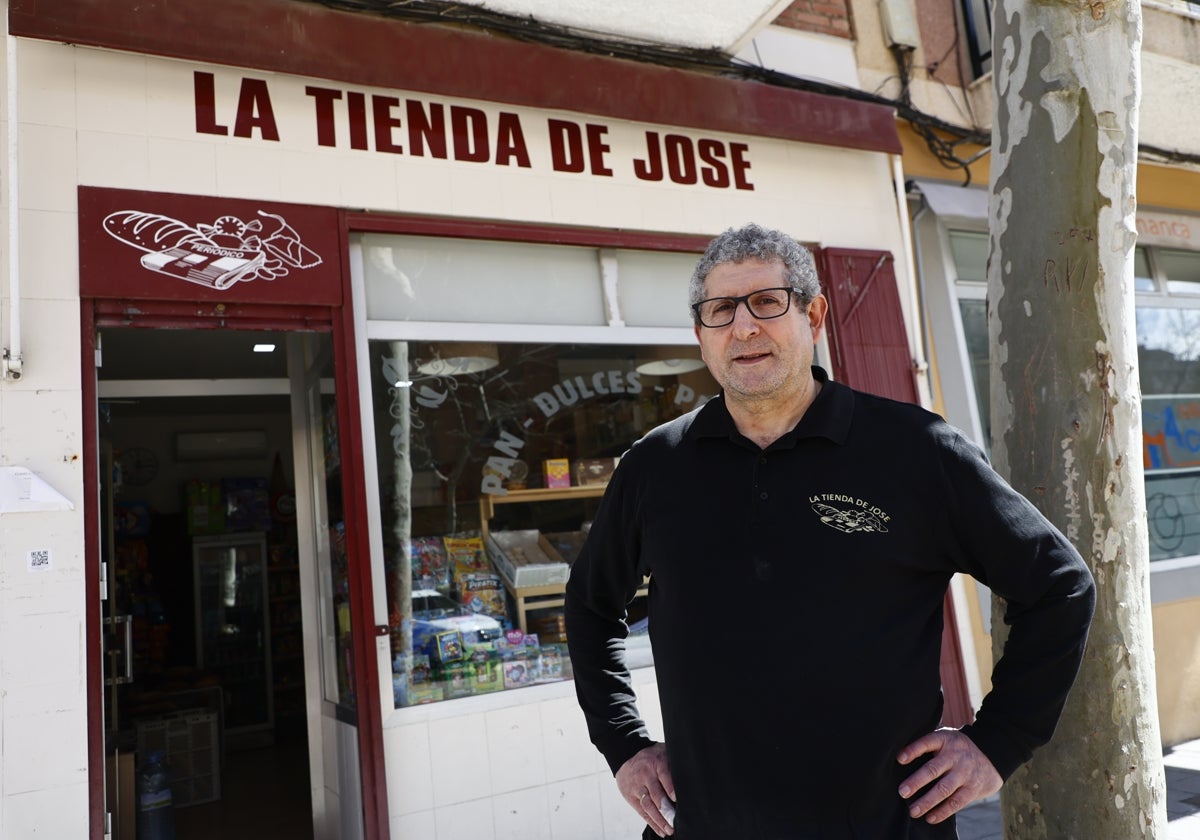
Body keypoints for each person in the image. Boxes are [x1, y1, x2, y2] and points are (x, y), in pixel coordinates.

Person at [563, 223, 1096, 839]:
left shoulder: (916, 451)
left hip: (885, 826)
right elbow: (590, 606)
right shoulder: (656, 467)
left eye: (767, 302)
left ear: (814, 316)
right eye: (720, 311)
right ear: (701, 338)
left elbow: (1059, 585)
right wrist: (623, 745)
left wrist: (1000, 740)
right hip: (707, 824)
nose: (744, 328)